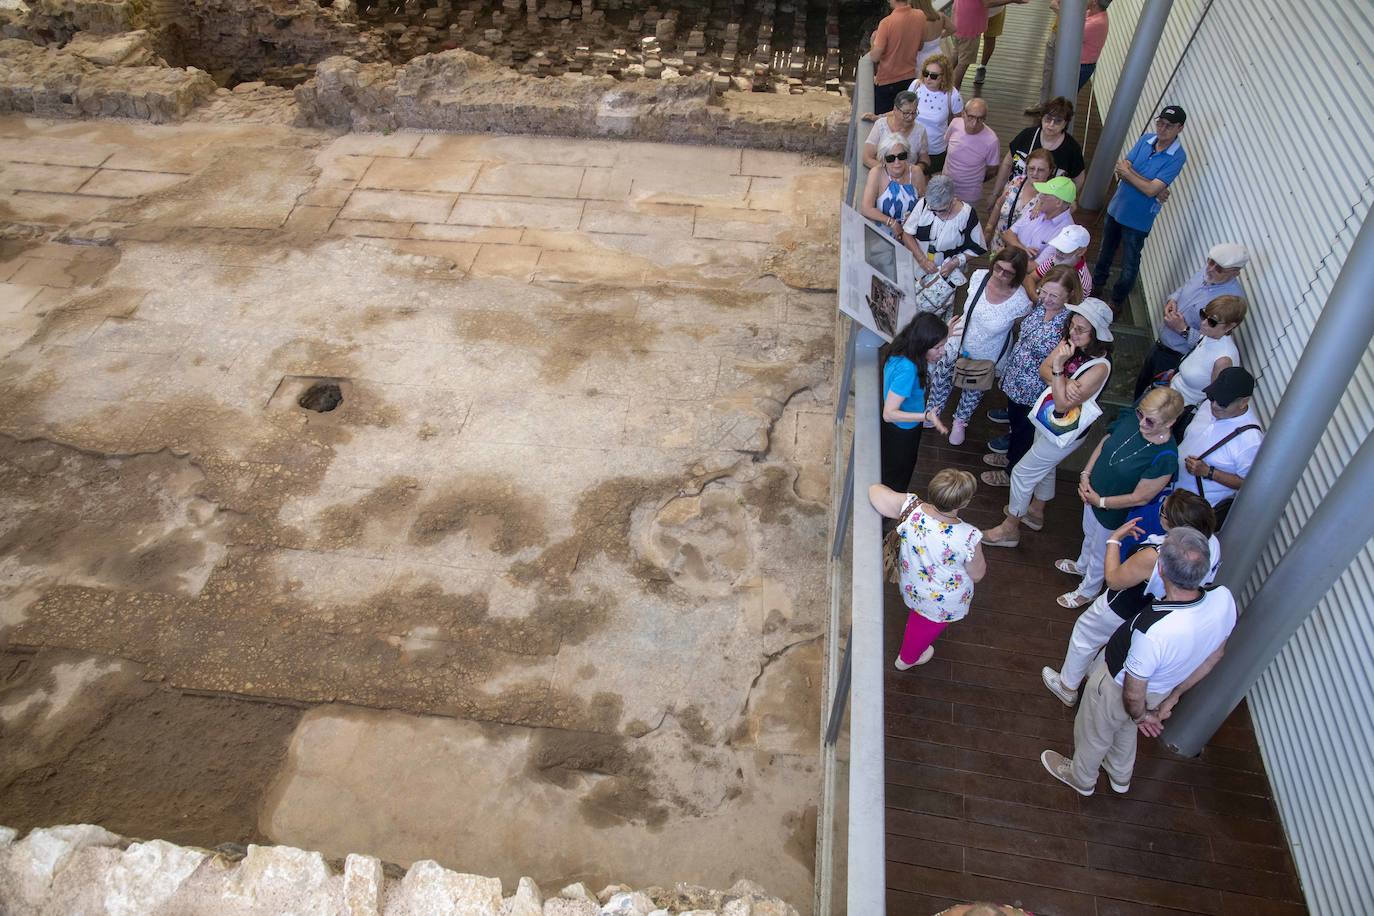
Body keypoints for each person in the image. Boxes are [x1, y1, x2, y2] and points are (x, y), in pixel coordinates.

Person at [1041, 526, 1236, 797]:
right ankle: (1120, 774)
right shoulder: (1223, 598)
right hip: (1161, 690)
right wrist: (1171, 699)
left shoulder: (1153, 629)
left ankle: (1081, 777)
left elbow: (1133, 689)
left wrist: (1141, 714)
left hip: (1115, 687)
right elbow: (1215, 655)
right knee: (1125, 726)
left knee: (1095, 732)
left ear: (1163, 571)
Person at [1041, 490, 1218, 707]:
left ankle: (1067, 686)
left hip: (1122, 604)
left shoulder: (1156, 555)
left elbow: (1114, 580)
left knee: (1086, 634)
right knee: (1116, 641)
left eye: (1163, 510)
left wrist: (1114, 540)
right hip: (1150, 610)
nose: (1160, 512)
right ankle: (1094, 673)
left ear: (1173, 524)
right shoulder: (1212, 546)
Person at [980, 298, 1112, 545]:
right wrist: (1063, 383)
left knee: (1021, 473)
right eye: (1072, 325)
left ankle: (1010, 527)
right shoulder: (1072, 342)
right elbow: (1043, 369)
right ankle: (1036, 512)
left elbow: (1062, 402)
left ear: (1097, 335)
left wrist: (1060, 369)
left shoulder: (1100, 367)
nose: (1073, 332)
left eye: (1081, 329)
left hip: (1065, 431)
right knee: (1045, 467)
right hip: (1049, 418)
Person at [1056, 387, 1183, 608]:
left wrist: (1101, 502)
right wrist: (1086, 474)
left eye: (1150, 421)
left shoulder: (1165, 457)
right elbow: (1106, 441)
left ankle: (1088, 590)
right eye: (1140, 415)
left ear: (1169, 423)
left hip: (1114, 509)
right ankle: (1081, 565)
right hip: (1092, 493)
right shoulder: (1133, 421)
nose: (1142, 423)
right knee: (1088, 533)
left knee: (1100, 550)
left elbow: (1140, 497)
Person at [869, 468, 986, 668]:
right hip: (942, 601)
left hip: (913, 585)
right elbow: (977, 574)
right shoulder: (969, 536)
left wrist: (908, 500)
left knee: (920, 617)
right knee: (923, 627)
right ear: (964, 502)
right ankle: (907, 659)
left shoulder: (911, 509)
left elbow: (875, 491)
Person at [980, 265, 1080, 485]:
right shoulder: (1039, 308)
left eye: (1054, 295)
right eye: (1044, 291)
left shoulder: (1067, 326)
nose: (1046, 298)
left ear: (1069, 295)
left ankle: (1010, 471)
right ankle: (1009, 455)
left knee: (1025, 433)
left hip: (1035, 390)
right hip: (1016, 380)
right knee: (1015, 425)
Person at [926, 248, 1032, 446]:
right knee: (942, 378)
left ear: (1017, 275)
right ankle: (933, 412)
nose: (1000, 275)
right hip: (959, 339)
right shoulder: (979, 277)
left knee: (973, 389)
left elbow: (1018, 327)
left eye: (1007, 272)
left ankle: (960, 421)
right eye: (998, 268)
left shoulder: (1020, 301)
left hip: (987, 352)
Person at [1091, 106, 1188, 312]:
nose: (1162, 128)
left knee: (1130, 263)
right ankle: (1095, 286)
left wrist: (1137, 178)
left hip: (1138, 220)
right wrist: (1150, 185)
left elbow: (1150, 188)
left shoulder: (1178, 156)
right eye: (1160, 122)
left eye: (1168, 126)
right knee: (1104, 252)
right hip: (1116, 207)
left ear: (1179, 128)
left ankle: (1117, 300)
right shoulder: (1146, 139)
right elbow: (1122, 168)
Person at [1133, 244, 1248, 399]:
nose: (1210, 268)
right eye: (1210, 261)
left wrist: (1182, 329)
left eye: (1219, 268)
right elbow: (1184, 288)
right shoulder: (1206, 272)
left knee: (1153, 399)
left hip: (1175, 356)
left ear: (1235, 273)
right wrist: (1172, 299)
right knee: (1141, 387)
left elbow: (1210, 341)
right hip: (1160, 344)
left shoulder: (1231, 300)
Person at [1177, 367, 1263, 521]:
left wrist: (1209, 472)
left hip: (1190, 512)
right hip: (1169, 490)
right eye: (1212, 397)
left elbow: (1247, 484)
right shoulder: (1208, 406)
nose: (1214, 405)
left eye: (1223, 402)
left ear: (1243, 402)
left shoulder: (1251, 442)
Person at [881, 312, 952, 491]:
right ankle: (887, 514)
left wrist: (943, 334)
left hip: (900, 429)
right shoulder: (908, 369)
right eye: (938, 347)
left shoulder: (903, 347)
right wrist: (926, 416)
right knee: (898, 475)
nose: (942, 352)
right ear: (924, 344)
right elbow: (889, 414)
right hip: (902, 431)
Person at [1168, 294, 1247, 433]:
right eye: (1203, 315)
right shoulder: (1209, 335)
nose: (1203, 323)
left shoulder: (1223, 360)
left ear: (1230, 326)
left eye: (1212, 321)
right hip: (1170, 394)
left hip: (1178, 413)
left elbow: (1213, 401)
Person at [992, 97, 1086, 195]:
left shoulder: (1072, 149)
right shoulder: (1027, 135)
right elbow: (1007, 164)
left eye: (1058, 121)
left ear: (1065, 123)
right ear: (1042, 118)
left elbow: (1078, 180)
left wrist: (1067, 200)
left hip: (1047, 202)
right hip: (1014, 194)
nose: (1051, 124)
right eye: (1048, 119)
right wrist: (995, 193)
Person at [900, 174, 988, 279]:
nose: (936, 213)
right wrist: (922, 260)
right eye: (932, 209)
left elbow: (977, 247)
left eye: (941, 210)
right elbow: (907, 234)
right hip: (916, 268)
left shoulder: (966, 215)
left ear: (952, 201)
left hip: (945, 276)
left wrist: (954, 263)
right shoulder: (924, 204)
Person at [1037, 0, 1111, 105]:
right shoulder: (1094, 13)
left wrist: (1059, 11)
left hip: (1081, 67)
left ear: (1095, 2)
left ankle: (1056, 117)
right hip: (1077, 63)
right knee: (1061, 96)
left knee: (1064, 98)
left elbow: (1070, 31)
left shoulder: (1096, 23)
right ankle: (1046, 109)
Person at [869, 0, 930, 116]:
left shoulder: (886, 23)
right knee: (904, 120)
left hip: (887, 82)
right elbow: (920, 46)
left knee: (883, 121)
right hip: (909, 80)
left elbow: (874, 57)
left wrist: (872, 42)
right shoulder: (920, 16)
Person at [984, 148, 1051, 252]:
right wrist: (989, 228)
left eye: (1041, 170)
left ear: (1050, 171)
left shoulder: (1050, 195)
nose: (1035, 173)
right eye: (1031, 168)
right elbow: (999, 203)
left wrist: (1041, 204)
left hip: (1023, 252)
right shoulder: (1017, 181)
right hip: (999, 245)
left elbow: (1070, 207)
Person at [951, 0, 1028, 91]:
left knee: (956, 53)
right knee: (963, 62)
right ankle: (953, 92)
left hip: (960, 17)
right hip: (970, 25)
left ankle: (943, 81)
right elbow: (988, 2)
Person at [862, 134, 925, 241]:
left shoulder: (916, 172)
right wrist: (891, 222)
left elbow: (924, 201)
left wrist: (914, 217)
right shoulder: (876, 173)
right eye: (890, 158)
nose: (897, 162)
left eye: (901, 156)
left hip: (912, 234)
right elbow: (866, 208)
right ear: (883, 159)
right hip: (884, 237)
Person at [941, 98, 1000, 207]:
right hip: (945, 187)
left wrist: (974, 180)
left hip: (969, 195)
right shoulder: (954, 124)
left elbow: (993, 170)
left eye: (980, 119)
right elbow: (946, 146)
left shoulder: (991, 140)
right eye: (971, 117)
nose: (974, 124)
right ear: (963, 114)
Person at [907, 54, 961, 173]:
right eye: (926, 73)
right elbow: (901, 111)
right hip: (911, 146)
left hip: (935, 150)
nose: (928, 78)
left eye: (934, 76)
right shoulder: (916, 85)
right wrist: (878, 117)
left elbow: (959, 123)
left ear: (943, 77)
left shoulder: (952, 95)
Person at [1000, 175, 1075, 260]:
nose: (1040, 196)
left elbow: (1036, 268)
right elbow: (1007, 235)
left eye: (1045, 194)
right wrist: (1023, 249)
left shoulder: (1065, 233)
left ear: (1058, 202)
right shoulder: (1037, 210)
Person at [862, 90, 931, 172]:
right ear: (895, 110)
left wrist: (915, 170)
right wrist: (890, 171)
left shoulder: (920, 131)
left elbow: (925, 159)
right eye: (906, 113)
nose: (910, 117)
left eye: (914, 112)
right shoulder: (880, 125)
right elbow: (867, 157)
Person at [1033, 223, 1092, 294]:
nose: (1058, 253)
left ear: (1081, 251)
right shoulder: (1054, 259)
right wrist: (1036, 299)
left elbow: (1070, 304)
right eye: (1058, 247)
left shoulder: (1082, 282)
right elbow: (1030, 278)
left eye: (1065, 249)